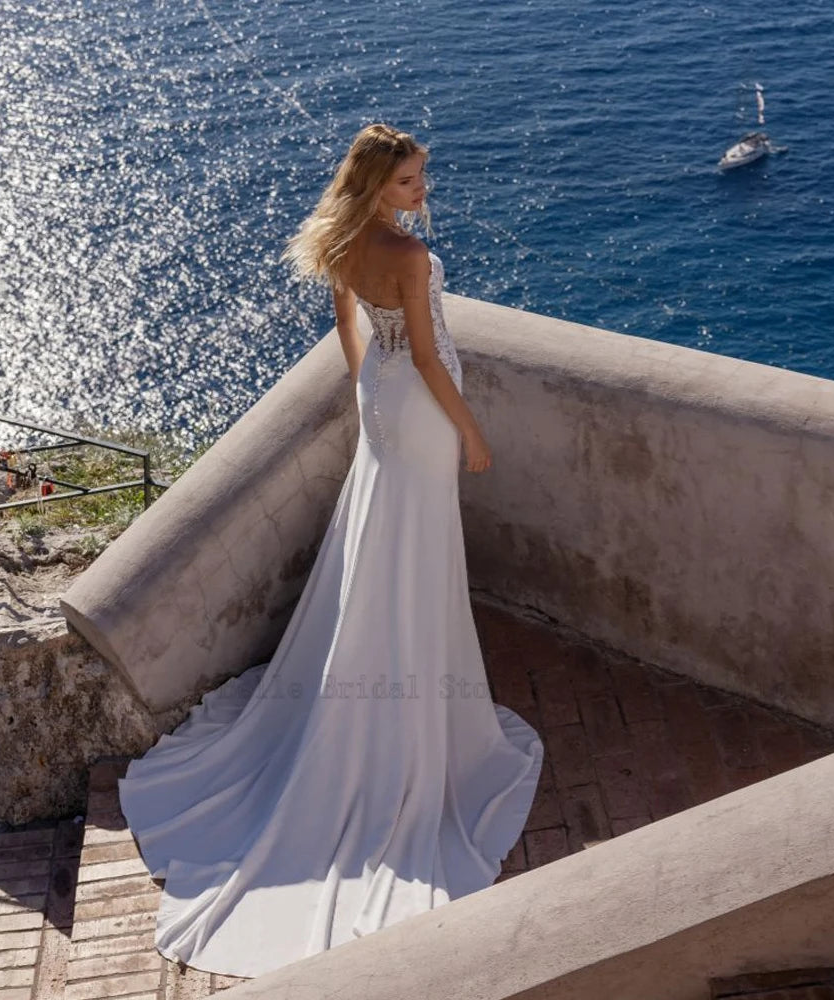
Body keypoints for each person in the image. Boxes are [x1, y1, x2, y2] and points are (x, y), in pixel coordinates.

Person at [117, 122, 544, 980]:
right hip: (419, 410)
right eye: (411, 181)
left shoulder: (346, 239)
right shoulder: (410, 259)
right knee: (417, 551)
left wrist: (366, 398)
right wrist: (472, 433)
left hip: (380, 404)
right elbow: (426, 356)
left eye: (423, 177)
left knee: (382, 543)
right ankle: (412, 724)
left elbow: (357, 333)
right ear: (379, 184)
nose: (423, 190)